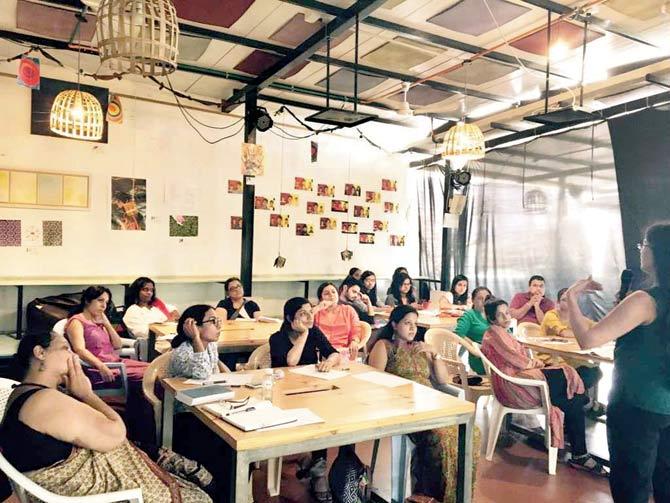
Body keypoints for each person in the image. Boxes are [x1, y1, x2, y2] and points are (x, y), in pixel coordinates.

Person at [0, 331, 210, 502]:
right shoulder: (44, 401)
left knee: (181, 469)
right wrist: (86, 394)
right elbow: (115, 434)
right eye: (65, 348)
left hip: (48, 485)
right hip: (73, 495)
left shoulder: (27, 393)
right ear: (40, 353)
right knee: (198, 496)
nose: (73, 356)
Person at [565, 222, 670, 502]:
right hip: (666, 405)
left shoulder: (645, 301)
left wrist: (570, 298)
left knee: (631, 488)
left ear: (657, 252)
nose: (641, 250)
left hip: (636, 405)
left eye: (644, 244)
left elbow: (588, 339)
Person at [480, 298, 607, 476]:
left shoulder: (499, 332)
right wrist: (533, 362)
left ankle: (580, 452)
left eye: (507, 312)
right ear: (491, 319)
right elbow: (517, 359)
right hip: (516, 388)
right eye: (500, 315)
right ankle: (587, 409)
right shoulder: (495, 335)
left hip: (519, 381)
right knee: (572, 378)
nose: (506, 317)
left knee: (577, 390)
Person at [368, 305, 480, 503]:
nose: (412, 328)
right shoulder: (385, 346)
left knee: (472, 432)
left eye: (415, 324)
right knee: (441, 437)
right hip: (403, 406)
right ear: (394, 325)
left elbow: (443, 380)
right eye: (406, 323)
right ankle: (431, 494)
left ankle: (458, 494)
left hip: (430, 402)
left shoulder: (421, 348)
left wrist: (435, 354)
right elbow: (373, 381)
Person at [269, 297, 340, 503]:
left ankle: (319, 469)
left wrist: (329, 362)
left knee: (325, 414)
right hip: (284, 394)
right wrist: (305, 334)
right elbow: (290, 362)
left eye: (311, 312)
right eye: (303, 314)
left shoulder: (316, 333)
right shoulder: (277, 338)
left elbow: (333, 353)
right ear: (290, 318)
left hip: (311, 389)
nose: (309, 317)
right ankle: (298, 462)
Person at [66, 286, 151, 441]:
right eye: (100, 301)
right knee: (148, 377)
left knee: (153, 369)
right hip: (99, 369)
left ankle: (143, 416)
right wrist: (101, 366)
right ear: (87, 301)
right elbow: (79, 349)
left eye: (106, 302)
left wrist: (106, 322)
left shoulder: (98, 321)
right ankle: (141, 425)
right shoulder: (77, 321)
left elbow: (117, 344)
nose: (104, 305)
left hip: (116, 362)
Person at [167, 305, 231, 502]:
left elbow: (213, 373)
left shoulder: (210, 345)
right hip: (187, 415)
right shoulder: (183, 351)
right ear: (193, 326)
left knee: (231, 441)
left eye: (218, 321)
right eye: (213, 321)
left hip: (208, 406)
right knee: (222, 446)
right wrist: (195, 338)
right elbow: (203, 374)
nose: (218, 326)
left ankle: (229, 492)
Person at [540, 288, 604, 416]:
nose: (568, 303)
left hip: (572, 360)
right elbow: (563, 333)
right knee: (586, 375)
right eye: (565, 300)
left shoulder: (577, 318)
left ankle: (578, 401)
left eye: (571, 300)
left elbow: (597, 327)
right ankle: (583, 402)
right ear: (557, 302)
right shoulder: (551, 315)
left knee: (595, 372)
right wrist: (584, 334)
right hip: (551, 361)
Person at [313, 282, 363, 358]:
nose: (331, 295)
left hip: (343, 351)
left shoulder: (348, 310)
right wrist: (317, 308)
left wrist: (354, 341)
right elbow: (305, 324)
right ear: (321, 298)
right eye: (326, 293)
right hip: (320, 352)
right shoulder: (316, 312)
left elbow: (356, 329)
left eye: (333, 292)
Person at [453, 286, 492, 375]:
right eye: (480, 298)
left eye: (487, 298)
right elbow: (458, 334)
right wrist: (475, 345)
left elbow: (507, 332)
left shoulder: (493, 314)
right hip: (481, 357)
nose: (484, 301)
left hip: (498, 352)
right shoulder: (469, 315)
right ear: (473, 300)